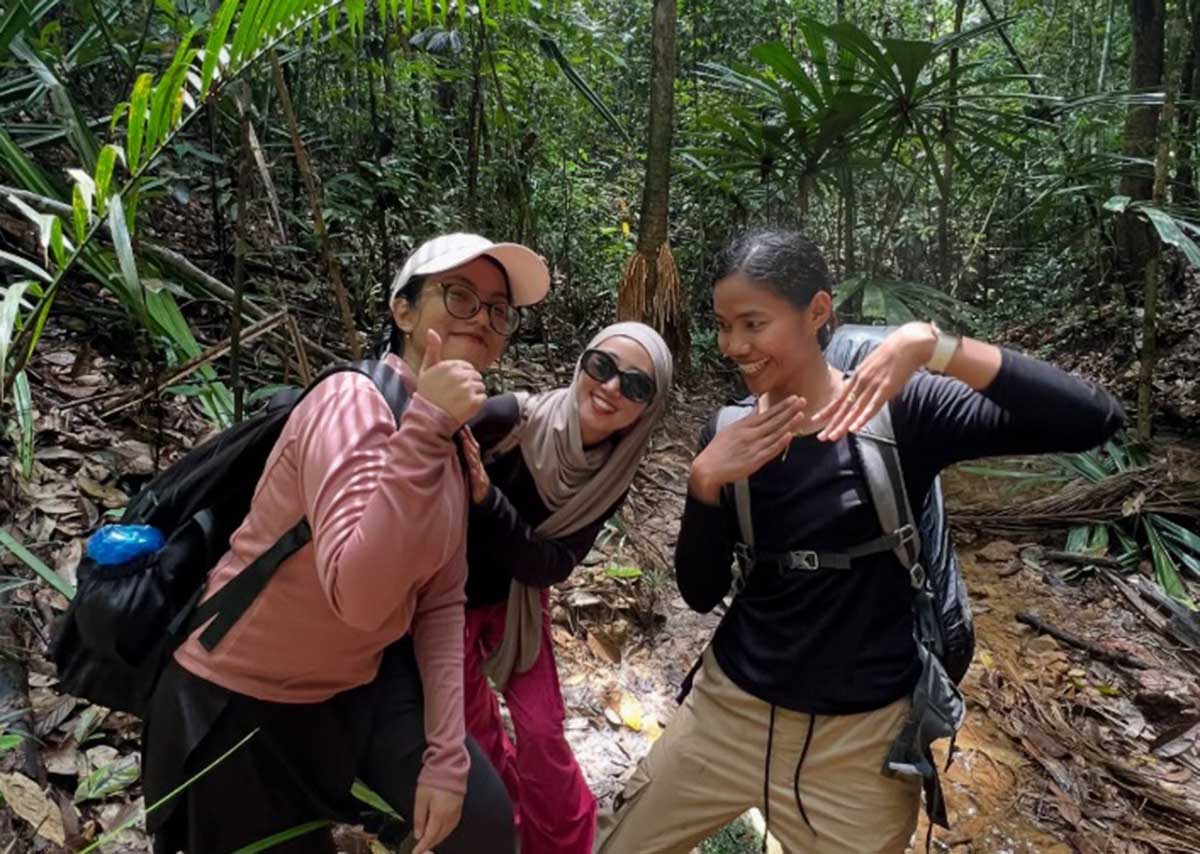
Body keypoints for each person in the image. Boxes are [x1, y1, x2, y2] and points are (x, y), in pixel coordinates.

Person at [595, 229, 1125, 854]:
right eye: (722, 324)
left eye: (752, 323)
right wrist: (705, 480)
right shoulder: (731, 427)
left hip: (859, 752)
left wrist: (937, 347)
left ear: (816, 312)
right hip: (726, 715)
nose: (733, 345)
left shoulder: (900, 410)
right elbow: (702, 592)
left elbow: (1093, 418)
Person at [142, 233, 550, 854]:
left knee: (482, 825)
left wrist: (446, 756)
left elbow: (441, 601)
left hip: (351, 687)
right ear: (403, 311)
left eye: (498, 310)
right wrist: (428, 428)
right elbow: (357, 596)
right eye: (460, 296)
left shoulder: (450, 442)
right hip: (238, 701)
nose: (484, 319)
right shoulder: (352, 405)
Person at [458, 322, 673, 854]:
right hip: (446, 600)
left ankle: (564, 843)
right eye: (602, 366)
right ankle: (502, 828)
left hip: (517, 602)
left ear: (650, 406)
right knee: (472, 731)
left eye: (637, 385)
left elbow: (550, 567)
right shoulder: (509, 418)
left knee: (542, 728)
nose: (612, 388)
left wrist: (489, 504)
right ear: (582, 363)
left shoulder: (611, 473)